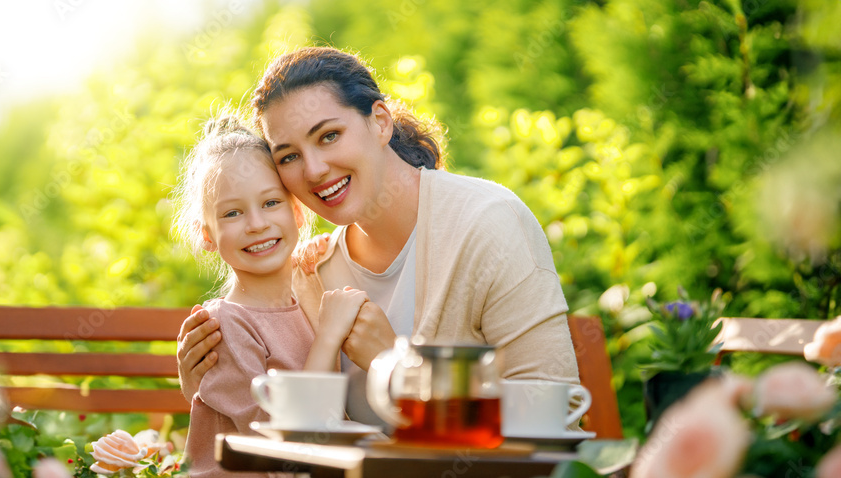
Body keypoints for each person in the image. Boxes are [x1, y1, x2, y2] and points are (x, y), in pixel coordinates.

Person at [177, 46, 580, 425]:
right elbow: (288, 418)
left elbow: (552, 411)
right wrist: (205, 381)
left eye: (329, 136)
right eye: (289, 156)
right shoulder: (314, 272)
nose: (314, 169)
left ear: (381, 122)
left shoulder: (486, 223)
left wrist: (397, 365)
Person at [172, 114, 370, 477]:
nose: (257, 224)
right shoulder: (224, 326)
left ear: (297, 211)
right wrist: (329, 336)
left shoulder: (306, 297)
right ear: (207, 236)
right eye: (232, 213)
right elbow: (284, 455)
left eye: (271, 203)